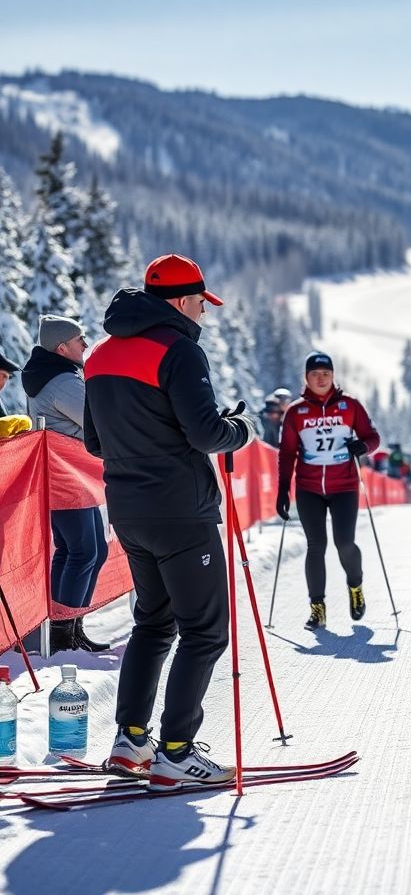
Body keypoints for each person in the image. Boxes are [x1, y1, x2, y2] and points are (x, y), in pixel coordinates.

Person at [84, 253, 258, 789]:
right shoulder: (179, 350)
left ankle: (130, 740)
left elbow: (94, 441)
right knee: (204, 631)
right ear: (183, 301)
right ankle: (176, 750)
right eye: (202, 304)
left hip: (130, 510)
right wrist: (241, 430)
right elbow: (206, 434)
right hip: (182, 510)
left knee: (153, 624)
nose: (204, 314)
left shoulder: (98, 355)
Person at [22, 315, 109, 654]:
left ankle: (68, 627)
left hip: (70, 474)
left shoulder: (59, 375)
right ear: (62, 347)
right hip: (66, 476)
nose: (85, 345)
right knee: (84, 551)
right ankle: (63, 634)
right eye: (79, 340)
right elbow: (95, 419)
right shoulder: (62, 382)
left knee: (88, 550)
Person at [277, 351, 381, 630]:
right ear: (306, 378)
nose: (320, 379)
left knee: (344, 543)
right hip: (309, 488)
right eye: (314, 374)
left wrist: (363, 447)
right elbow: (286, 453)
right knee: (315, 546)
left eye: (325, 374)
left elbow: (372, 437)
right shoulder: (296, 412)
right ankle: (317, 609)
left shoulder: (350, 406)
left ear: (333, 376)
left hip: (344, 486)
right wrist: (282, 490)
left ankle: (355, 586)